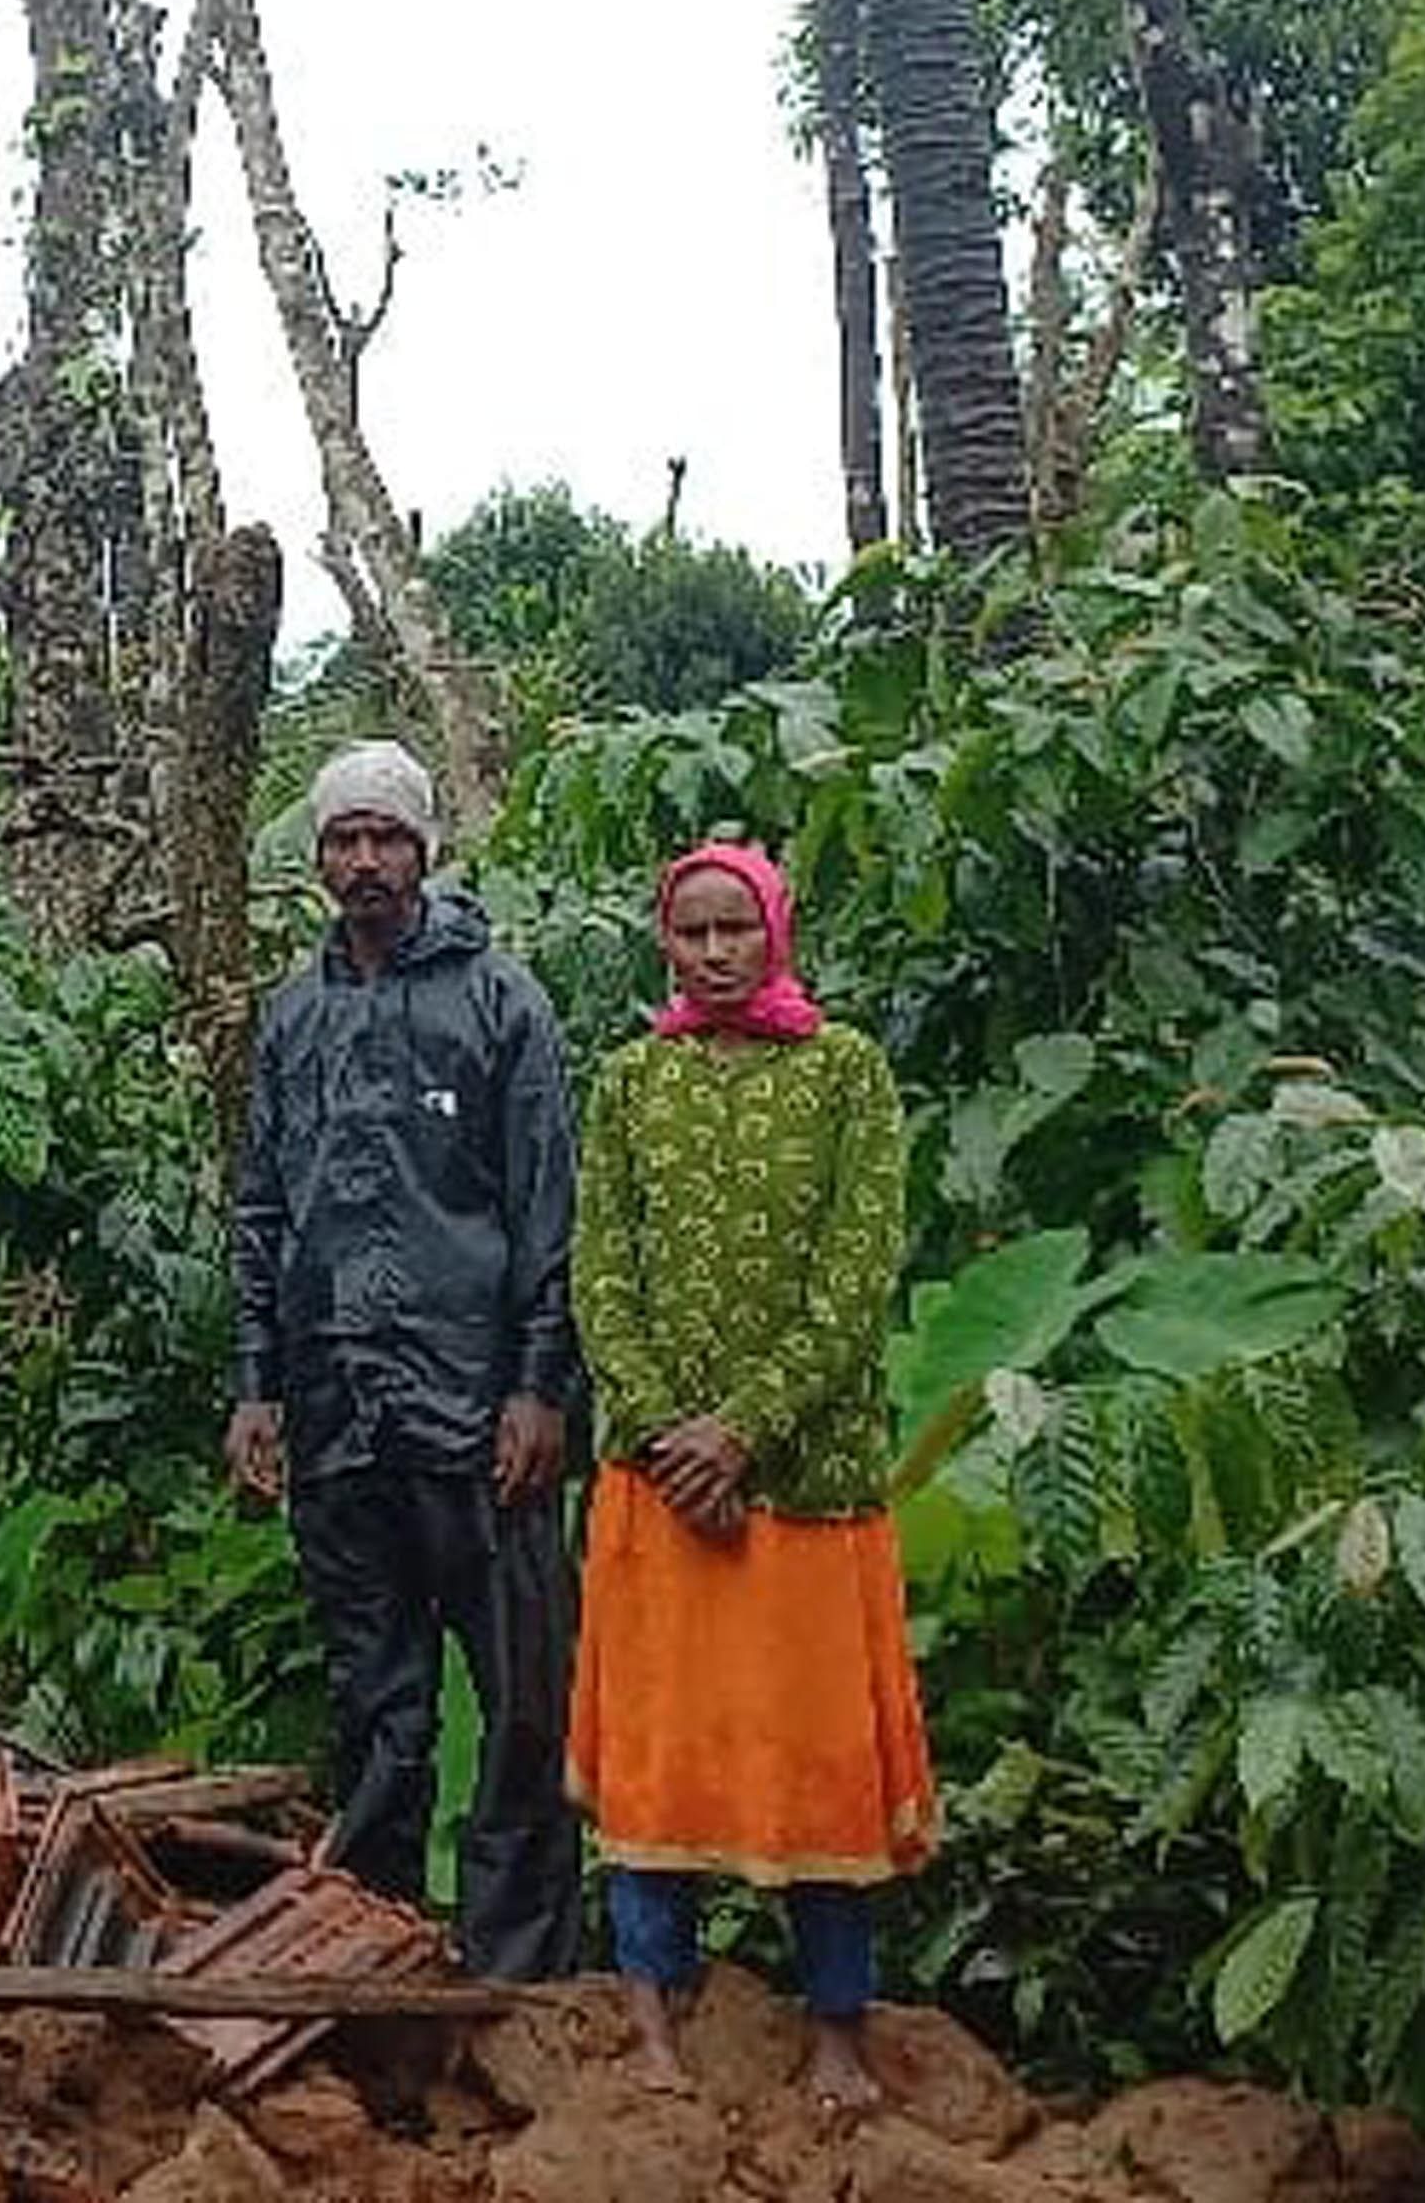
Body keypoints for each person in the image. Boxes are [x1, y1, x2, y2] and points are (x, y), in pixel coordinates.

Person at [566, 841, 932, 2107]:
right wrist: (674, 1429)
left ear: (776, 933)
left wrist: (748, 1429)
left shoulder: (848, 1076)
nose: (717, 952)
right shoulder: (627, 1083)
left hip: (806, 1487)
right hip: (660, 1491)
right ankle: (653, 2021)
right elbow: (599, 1271)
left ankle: (838, 2030)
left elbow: (857, 1273)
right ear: (665, 946)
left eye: (738, 929)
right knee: (657, 1762)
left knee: (822, 1768)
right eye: (693, 933)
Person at [225, 740, 583, 1980]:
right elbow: (263, 1209)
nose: (366, 861)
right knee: (377, 1696)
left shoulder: (503, 1002)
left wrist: (541, 1386)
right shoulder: (295, 1016)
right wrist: (258, 1385)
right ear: (316, 857)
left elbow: (548, 1210)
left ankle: (518, 1966)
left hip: (480, 1406)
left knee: (523, 1698)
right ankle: (374, 1947)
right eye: (344, 840)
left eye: (387, 837)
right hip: (337, 1409)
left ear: (426, 849)